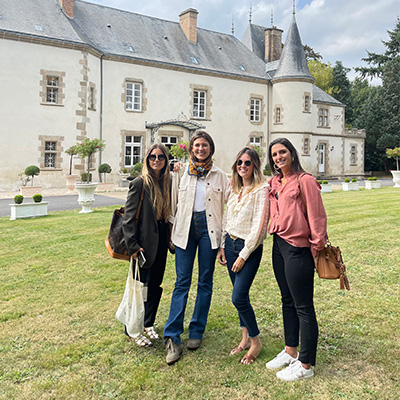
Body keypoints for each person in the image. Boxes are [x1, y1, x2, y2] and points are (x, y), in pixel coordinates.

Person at [163, 131, 229, 365]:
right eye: (197, 145)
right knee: (182, 282)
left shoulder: (220, 176)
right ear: (191, 149)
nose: (201, 149)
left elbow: (227, 208)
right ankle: (172, 336)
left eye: (205, 145)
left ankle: (196, 331)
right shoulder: (180, 172)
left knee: (205, 281)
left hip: (209, 229)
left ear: (210, 148)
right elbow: (173, 202)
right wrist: (172, 231)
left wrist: (223, 242)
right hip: (185, 229)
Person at [265, 137, 327, 381]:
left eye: (282, 152)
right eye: (274, 155)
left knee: (303, 306)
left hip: (298, 248)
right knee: (287, 300)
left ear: (291, 153)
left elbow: (318, 219)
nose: (278, 157)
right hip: (278, 245)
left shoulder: (305, 181)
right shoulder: (276, 182)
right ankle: (291, 350)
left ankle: (305, 365)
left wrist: (315, 250)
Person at [217, 147, 269, 365]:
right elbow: (227, 218)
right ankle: (245, 338)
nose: (243, 167)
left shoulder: (261, 190)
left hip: (248, 248)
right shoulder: (235, 189)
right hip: (230, 244)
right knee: (241, 297)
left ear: (255, 165)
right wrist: (222, 245)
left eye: (247, 163)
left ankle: (255, 341)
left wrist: (244, 255)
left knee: (238, 296)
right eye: (239, 163)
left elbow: (259, 228)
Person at [122, 144, 171, 347]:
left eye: (160, 157)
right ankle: (132, 328)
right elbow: (129, 218)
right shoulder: (139, 183)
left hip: (160, 240)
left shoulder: (166, 183)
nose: (156, 160)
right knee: (139, 287)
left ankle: (148, 322)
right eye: (152, 157)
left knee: (155, 284)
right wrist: (132, 246)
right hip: (143, 244)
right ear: (147, 159)